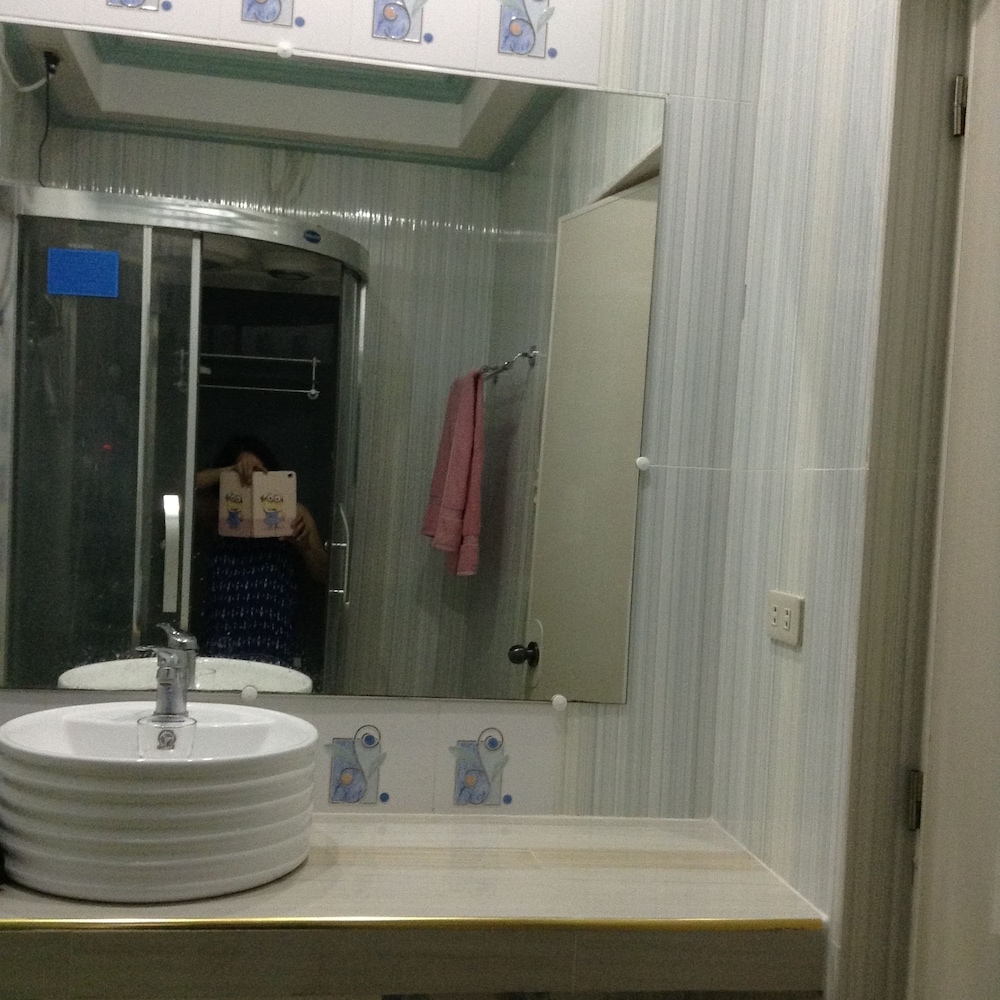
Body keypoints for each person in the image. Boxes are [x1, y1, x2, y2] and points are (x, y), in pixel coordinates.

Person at [193, 435, 327, 669]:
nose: (252, 483)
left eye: (259, 474)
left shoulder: (294, 513)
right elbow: (180, 486)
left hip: (273, 639)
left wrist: (304, 546)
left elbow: (324, 574)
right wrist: (228, 472)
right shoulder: (216, 512)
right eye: (245, 477)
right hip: (221, 639)